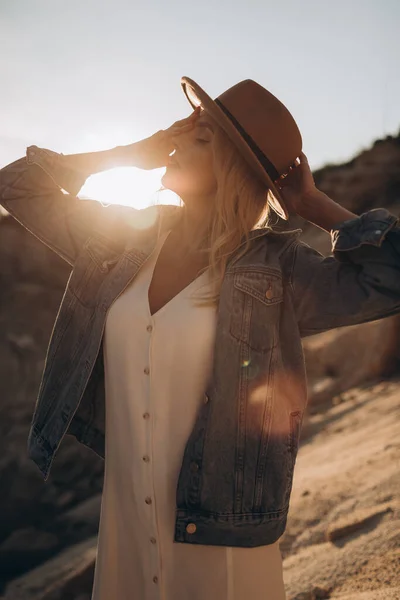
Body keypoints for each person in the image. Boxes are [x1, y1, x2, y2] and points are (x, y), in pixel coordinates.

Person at [1, 76, 399, 600]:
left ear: (234, 169)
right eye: (184, 131)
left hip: (220, 533)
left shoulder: (275, 267)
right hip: (126, 522)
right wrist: (131, 152)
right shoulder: (120, 242)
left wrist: (315, 206)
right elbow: (18, 184)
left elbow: (388, 277)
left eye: (201, 138)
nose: (176, 141)